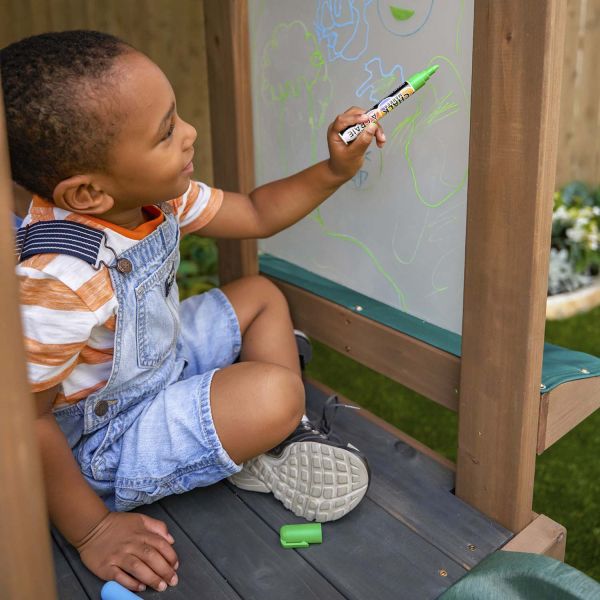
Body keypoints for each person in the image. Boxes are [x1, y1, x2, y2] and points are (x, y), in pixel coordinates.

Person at [1, 30, 385, 593]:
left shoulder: (156, 196)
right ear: (87, 194)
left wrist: (334, 170)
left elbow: (254, 212)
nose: (190, 133)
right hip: (106, 439)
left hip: (160, 363)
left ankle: (274, 436)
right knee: (279, 393)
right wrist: (93, 531)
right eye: (166, 133)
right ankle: (266, 427)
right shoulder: (58, 283)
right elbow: (25, 421)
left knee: (260, 294)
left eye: (176, 116)